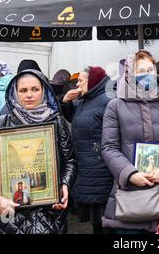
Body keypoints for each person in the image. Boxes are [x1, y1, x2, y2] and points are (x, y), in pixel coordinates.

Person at [0, 69, 77, 234]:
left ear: (44, 91)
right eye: (23, 90)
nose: (29, 94)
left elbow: (70, 161)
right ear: (15, 93)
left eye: (35, 89)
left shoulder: (57, 122)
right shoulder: (2, 124)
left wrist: (65, 183)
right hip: (10, 215)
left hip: (49, 213)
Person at [101, 50, 159, 234]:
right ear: (130, 74)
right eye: (141, 71)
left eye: (150, 69)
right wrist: (130, 174)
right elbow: (109, 147)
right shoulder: (115, 106)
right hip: (130, 197)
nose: (147, 74)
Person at [61, 66, 113, 234]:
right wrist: (66, 102)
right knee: (97, 223)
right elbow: (77, 120)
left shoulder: (107, 101)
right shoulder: (86, 100)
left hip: (101, 169)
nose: (78, 84)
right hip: (88, 169)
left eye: (81, 80)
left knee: (106, 222)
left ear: (93, 81)